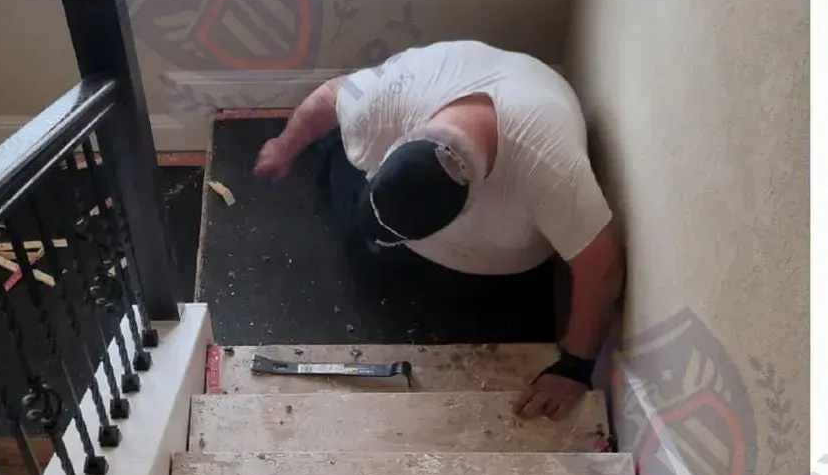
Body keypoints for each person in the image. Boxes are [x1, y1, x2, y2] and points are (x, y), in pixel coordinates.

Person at [253, 41, 622, 421]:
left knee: (387, 267)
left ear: (471, 200)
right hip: (449, 99)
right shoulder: (387, 97)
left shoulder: (549, 168)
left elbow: (602, 267)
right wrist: (285, 146)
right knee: (356, 220)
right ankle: (345, 168)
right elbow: (332, 93)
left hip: (510, 251)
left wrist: (574, 369)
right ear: (399, 140)